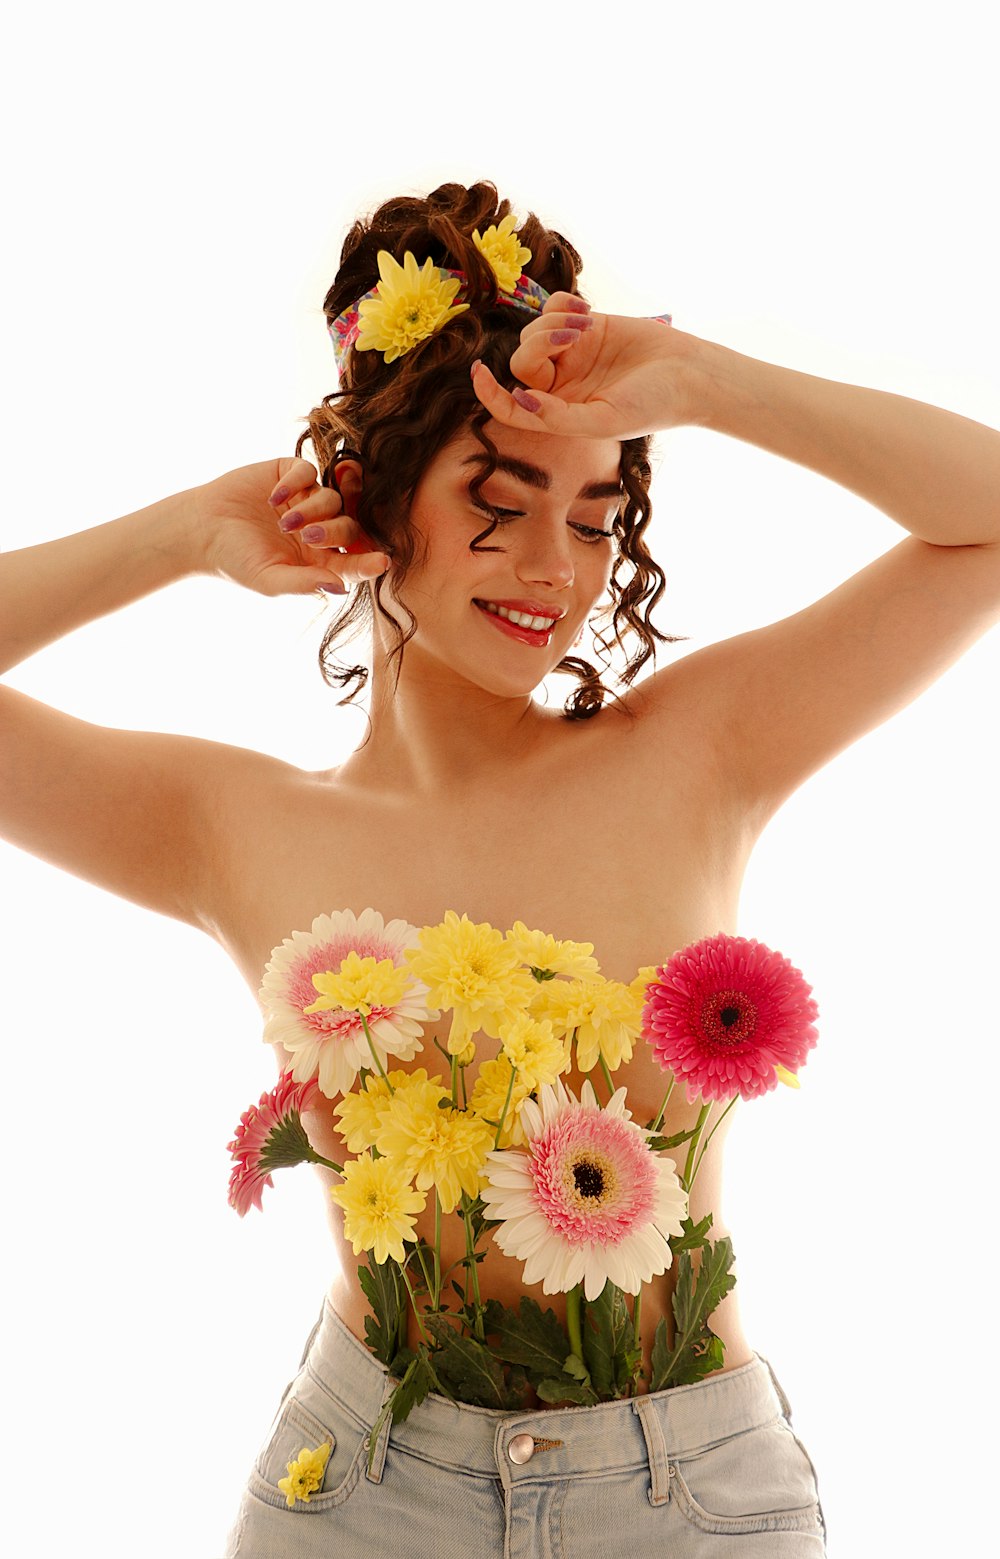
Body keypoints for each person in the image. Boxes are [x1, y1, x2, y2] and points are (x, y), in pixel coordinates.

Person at [3, 179, 999, 1557]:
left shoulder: (699, 752)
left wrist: (706, 382)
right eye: (501, 495)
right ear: (375, 492)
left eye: (597, 513)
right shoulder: (227, 821)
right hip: (361, 1497)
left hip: (690, 1502)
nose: (557, 566)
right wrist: (178, 537)